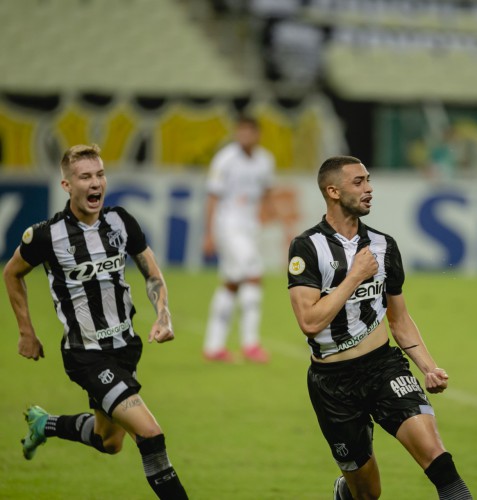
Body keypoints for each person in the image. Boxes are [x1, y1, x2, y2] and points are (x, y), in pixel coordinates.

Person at [3, 144, 188, 499]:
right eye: (85, 177)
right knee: (151, 435)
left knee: (110, 441)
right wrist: (26, 332)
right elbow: (12, 274)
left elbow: (151, 272)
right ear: (67, 185)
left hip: (125, 349)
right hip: (86, 356)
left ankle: (46, 424)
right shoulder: (46, 235)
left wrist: (163, 316)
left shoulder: (120, 222)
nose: (95, 183)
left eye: (100, 174)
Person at [287, 156, 472, 500]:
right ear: (333, 191)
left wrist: (429, 368)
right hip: (333, 384)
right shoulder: (306, 247)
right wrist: (354, 276)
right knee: (367, 494)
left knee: (440, 462)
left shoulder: (384, 246)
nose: (369, 188)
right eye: (358, 182)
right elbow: (309, 322)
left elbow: (399, 319)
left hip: (384, 368)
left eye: (368, 180)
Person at [202, 115, 275, 363]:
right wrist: (209, 233)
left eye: (248, 132)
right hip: (228, 225)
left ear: (257, 134)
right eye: (239, 131)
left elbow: (267, 191)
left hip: (250, 227)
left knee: (231, 282)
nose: (243, 136)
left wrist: (267, 214)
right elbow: (212, 197)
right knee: (254, 274)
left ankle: (214, 346)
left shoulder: (265, 160)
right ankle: (250, 344)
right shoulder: (225, 159)